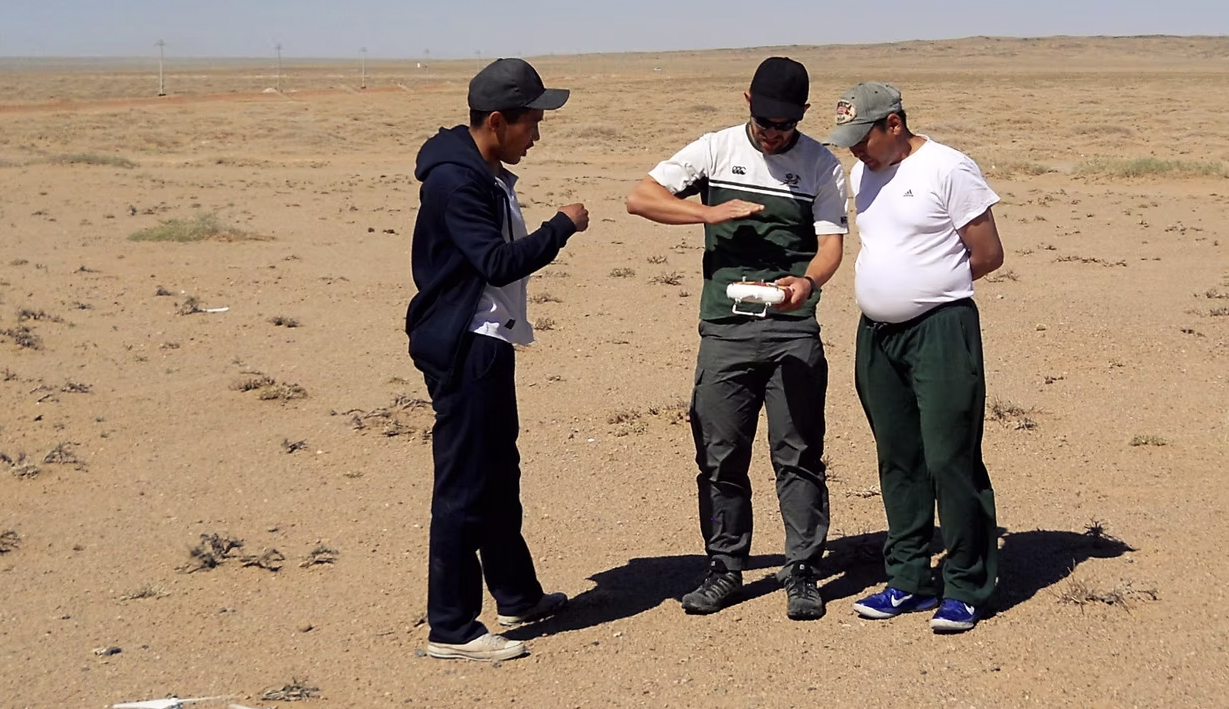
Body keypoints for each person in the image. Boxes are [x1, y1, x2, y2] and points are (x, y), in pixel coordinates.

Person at [626, 58, 847, 619]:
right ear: (748, 101)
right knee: (720, 455)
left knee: (798, 453)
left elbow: (830, 246)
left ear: (802, 114)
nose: (774, 134)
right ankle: (725, 567)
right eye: (766, 121)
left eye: (786, 124)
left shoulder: (821, 164)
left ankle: (802, 569)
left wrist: (807, 283)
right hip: (725, 329)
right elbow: (640, 198)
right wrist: (707, 213)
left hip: (793, 328)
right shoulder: (715, 149)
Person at [406, 58, 590, 661]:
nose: (536, 134)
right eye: (531, 123)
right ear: (495, 121)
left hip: (490, 337)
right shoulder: (458, 182)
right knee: (463, 484)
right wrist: (560, 227)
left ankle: (516, 594)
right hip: (467, 343)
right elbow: (497, 262)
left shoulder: (479, 171)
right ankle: (451, 628)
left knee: (498, 472)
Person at [826, 82, 1004, 634]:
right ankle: (907, 578)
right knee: (898, 457)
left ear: (895, 124)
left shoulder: (948, 168)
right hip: (877, 337)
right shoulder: (863, 174)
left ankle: (966, 586)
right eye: (849, 140)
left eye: (864, 138)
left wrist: (929, 289)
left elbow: (988, 253)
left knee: (950, 457)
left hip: (941, 332)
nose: (856, 149)